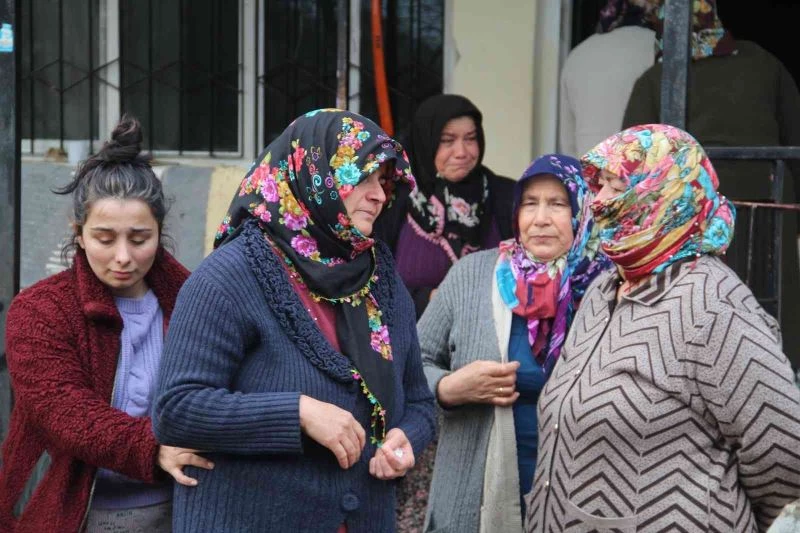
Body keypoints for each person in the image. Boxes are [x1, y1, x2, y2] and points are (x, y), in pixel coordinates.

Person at [152, 109, 437, 533]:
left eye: (385, 181)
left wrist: (406, 439)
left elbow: (418, 401)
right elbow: (177, 409)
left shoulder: (382, 278)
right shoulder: (232, 275)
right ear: (314, 175)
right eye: (362, 177)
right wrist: (298, 413)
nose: (379, 195)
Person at [525, 124, 800, 531]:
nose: (597, 201)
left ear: (662, 194)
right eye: (599, 186)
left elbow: (785, 454)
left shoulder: (713, 303)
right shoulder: (604, 289)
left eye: (616, 187)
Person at [0, 116, 211, 533]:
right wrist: (154, 449)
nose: (122, 257)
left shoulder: (194, 301)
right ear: (77, 233)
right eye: (104, 238)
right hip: (74, 513)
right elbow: (65, 412)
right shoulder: (39, 310)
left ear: (159, 231)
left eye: (138, 238)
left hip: (183, 507)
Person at [419, 154, 609, 532]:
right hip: (476, 494)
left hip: (583, 495)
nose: (540, 219)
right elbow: (410, 365)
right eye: (529, 203)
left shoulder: (607, 286)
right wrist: (447, 388)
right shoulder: (472, 274)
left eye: (557, 204)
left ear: (583, 211)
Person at [623, 0, 800, 365]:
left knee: (695, 314)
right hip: (768, 210)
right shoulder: (765, 64)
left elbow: (632, 163)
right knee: (770, 314)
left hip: (690, 220)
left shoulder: (655, 80)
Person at [374, 93, 516, 319]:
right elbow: (373, 286)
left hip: (490, 343)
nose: (461, 152)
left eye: (470, 139)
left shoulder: (506, 197)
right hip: (412, 344)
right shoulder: (393, 200)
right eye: (447, 141)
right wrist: (429, 298)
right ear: (426, 141)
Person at [559, 0, 660, 157]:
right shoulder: (661, 49)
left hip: (591, 172)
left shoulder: (578, 54)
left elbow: (568, 144)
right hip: (642, 171)